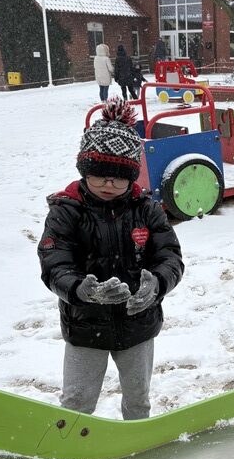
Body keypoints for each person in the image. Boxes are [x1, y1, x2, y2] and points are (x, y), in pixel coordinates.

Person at [38, 98, 184, 420]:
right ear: (84, 171)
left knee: (138, 399)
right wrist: (79, 288)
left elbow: (169, 256)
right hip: (85, 326)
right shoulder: (67, 212)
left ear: (132, 177)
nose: (108, 184)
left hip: (138, 325)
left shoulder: (146, 210)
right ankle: (71, 443)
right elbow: (54, 261)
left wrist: (158, 284)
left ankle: (137, 437)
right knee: (77, 401)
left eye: (118, 178)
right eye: (99, 176)